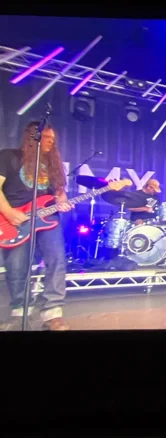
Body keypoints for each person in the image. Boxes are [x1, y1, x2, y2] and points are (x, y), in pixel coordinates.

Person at [0, 122, 72, 331]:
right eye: (46, 138)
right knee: (17, 266)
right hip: (15, 220)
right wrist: (8, 212)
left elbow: (59, 193)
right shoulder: (8, 157)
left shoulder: (54, 165)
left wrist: (62, 202)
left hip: (48, 219)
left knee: (56, 261)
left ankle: (52, 313)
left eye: (53, 139)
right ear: (32, 137)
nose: (50, 142)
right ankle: (20, 312)